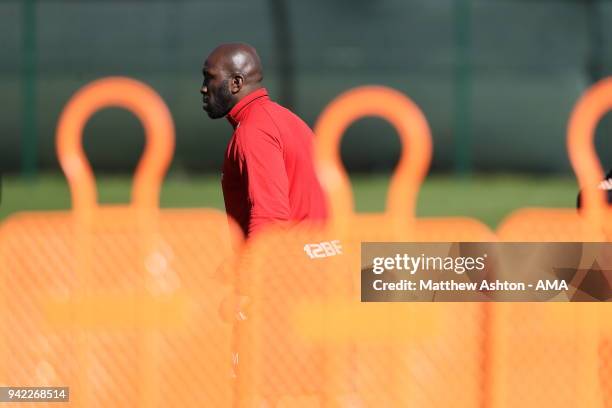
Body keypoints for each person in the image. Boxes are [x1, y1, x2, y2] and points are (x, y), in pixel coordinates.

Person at [200, 43, 327, 238]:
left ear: (236, 83)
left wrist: (252, 266)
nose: (203, 88)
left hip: (293, 262)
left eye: (210, 78)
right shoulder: (286, 119)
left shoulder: (254, 132)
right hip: (323, 256)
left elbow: (270, 222)